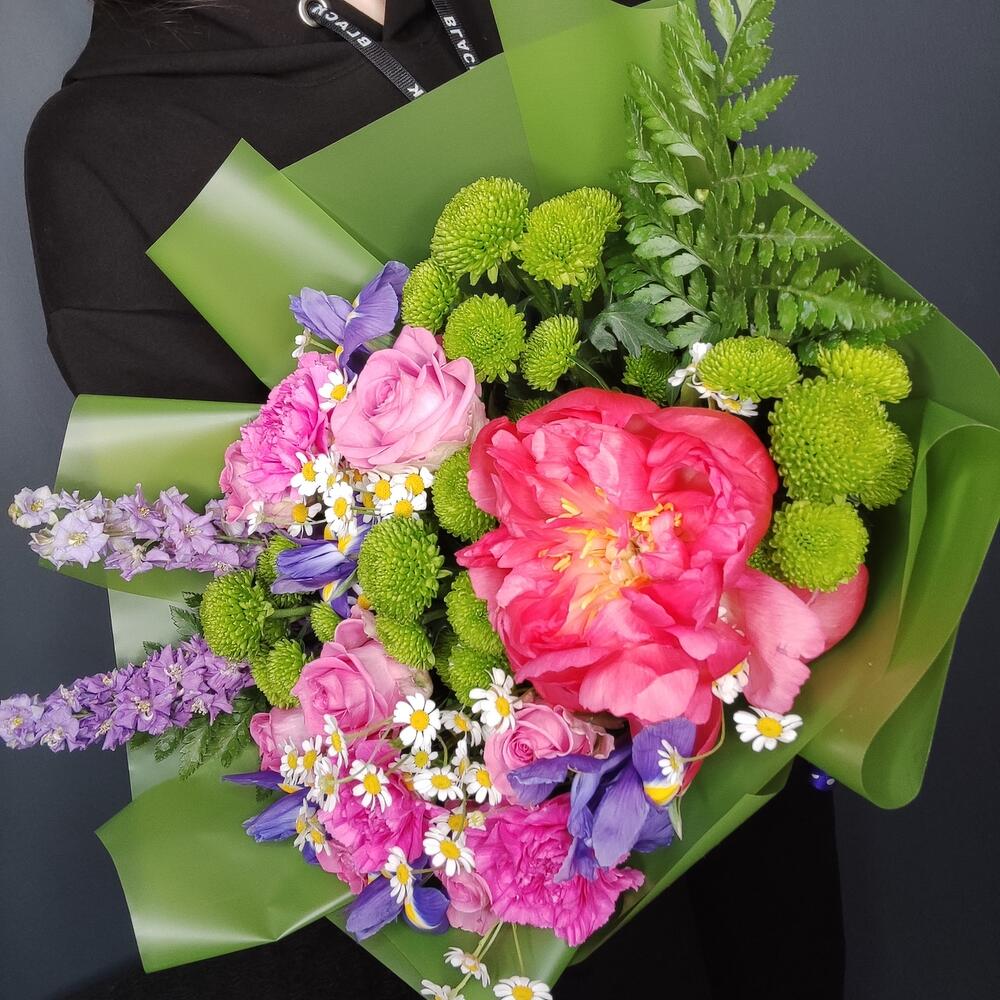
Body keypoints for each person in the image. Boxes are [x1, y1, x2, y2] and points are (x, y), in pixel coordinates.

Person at [26, 2, 845, 997]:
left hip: (743, 706)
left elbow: (742, 293)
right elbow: (248, 566)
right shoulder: (112, 140)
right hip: (500, 824)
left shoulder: (537, 10)